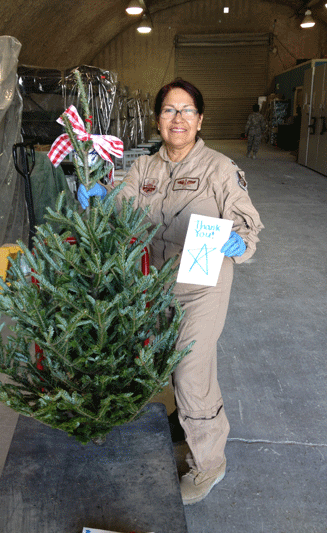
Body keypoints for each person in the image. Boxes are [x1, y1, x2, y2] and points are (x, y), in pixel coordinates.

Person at [77, 79, 263, 504]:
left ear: (200, 120)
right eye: (168, 110)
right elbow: (121, 204)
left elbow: (247, 221)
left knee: (191, 370)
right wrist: (100, 197)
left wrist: (240, 241)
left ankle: (210, 463)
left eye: (186, 110)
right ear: (158, 120)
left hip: (203, 286)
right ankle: (183, 420)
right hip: (154, 284)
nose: (177, 119)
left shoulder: (220, 168)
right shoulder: (144, 168)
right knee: (161, 360)